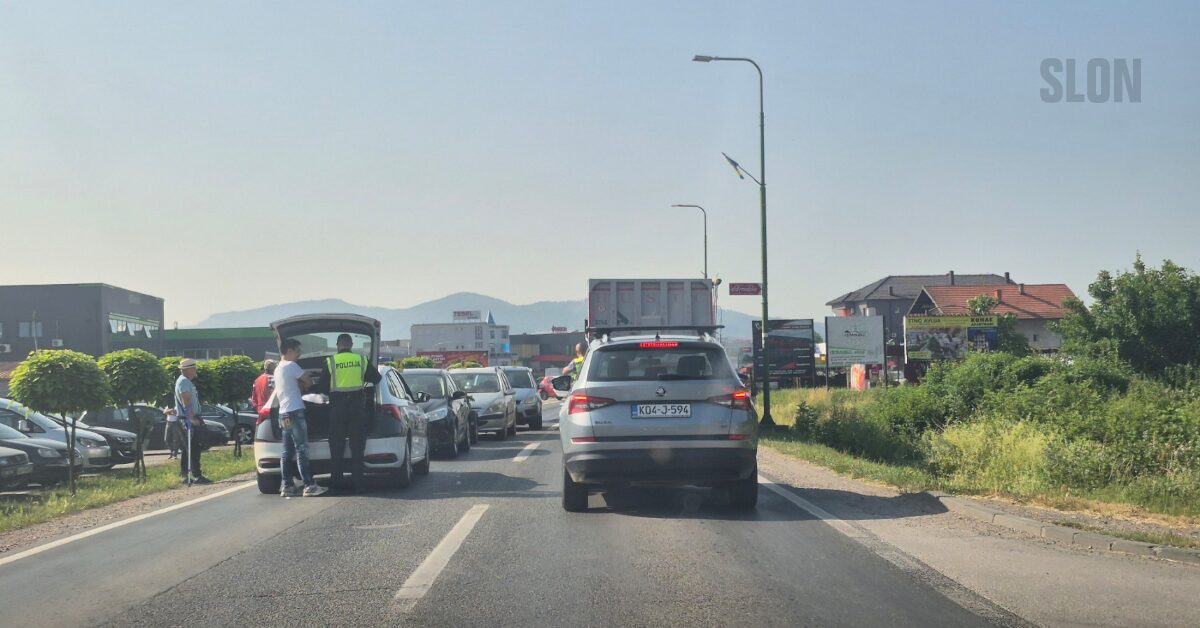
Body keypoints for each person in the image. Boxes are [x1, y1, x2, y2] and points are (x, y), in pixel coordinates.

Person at [319, 333, 381, 493]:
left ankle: (336, 484)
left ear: (338, 345)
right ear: (351, 344)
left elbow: (322, 387)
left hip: (337, 409)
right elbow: (376, 378)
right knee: (357, 446)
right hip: (357, 409)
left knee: (336, 446)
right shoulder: (361, 360)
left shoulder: (330, 361)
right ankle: (358, 484)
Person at [274, 338, 327, 497]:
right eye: (297, 351)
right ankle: (309, 485)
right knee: (302, 448)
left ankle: (287, 485)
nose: (299, 354)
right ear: (289, 351)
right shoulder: (292, 366)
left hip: (283, 413)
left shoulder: (278, 368)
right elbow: (309, 381)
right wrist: (305, 381)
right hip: (295, 411)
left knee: (286, 451)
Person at [174, 359, 211, 485]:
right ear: (188, 370)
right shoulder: (184, 382)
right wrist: (190, 418)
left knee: (187, 448)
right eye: (194, 368)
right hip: (187, 419)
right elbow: (186, 400)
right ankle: (197, 475)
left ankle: (185, 475)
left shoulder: (185, 381)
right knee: (193, 448)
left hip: (186, 418)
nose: (196, 371)